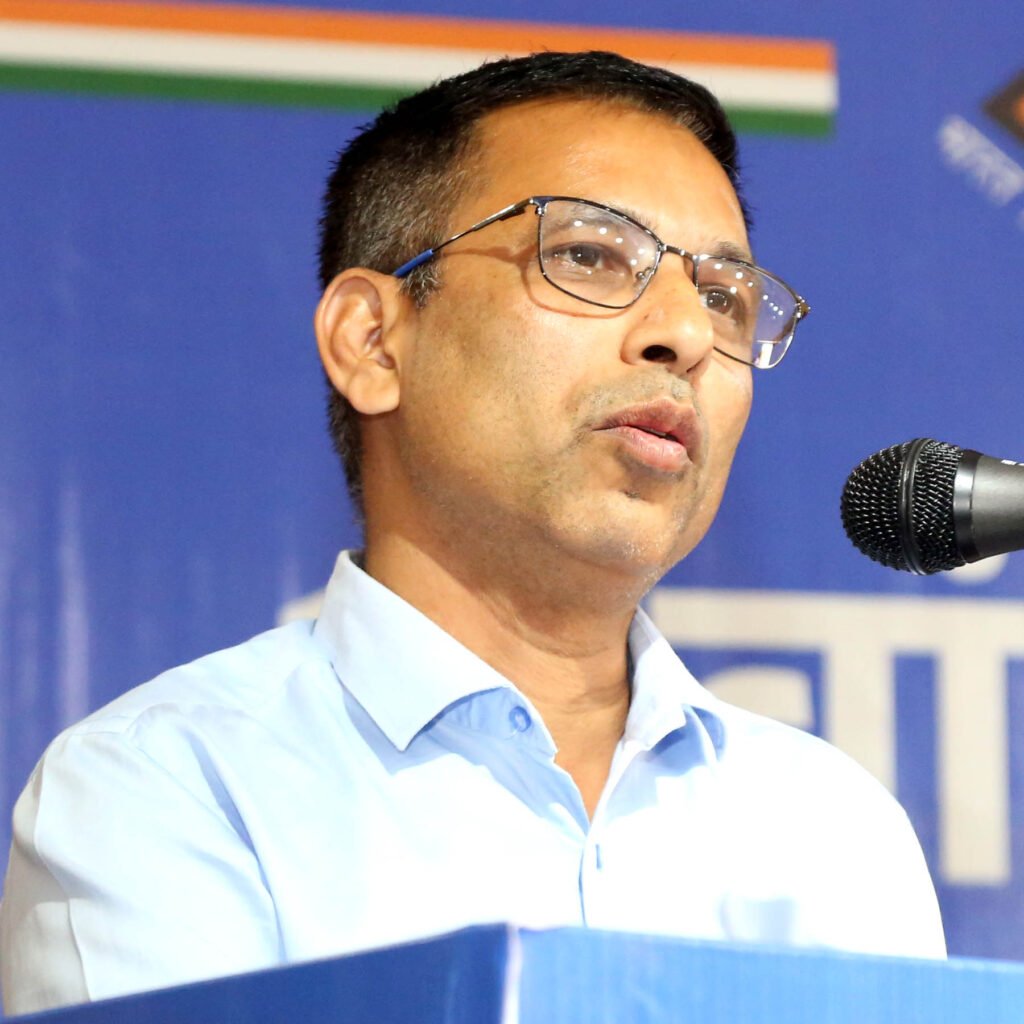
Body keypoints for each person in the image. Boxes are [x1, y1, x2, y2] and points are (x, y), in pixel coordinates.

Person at [0, 50, 945, 1015]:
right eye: (588, 255)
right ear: (373, 341)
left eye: (723, 297)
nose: (687, 335)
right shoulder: (173, 790)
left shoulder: (834, 834)